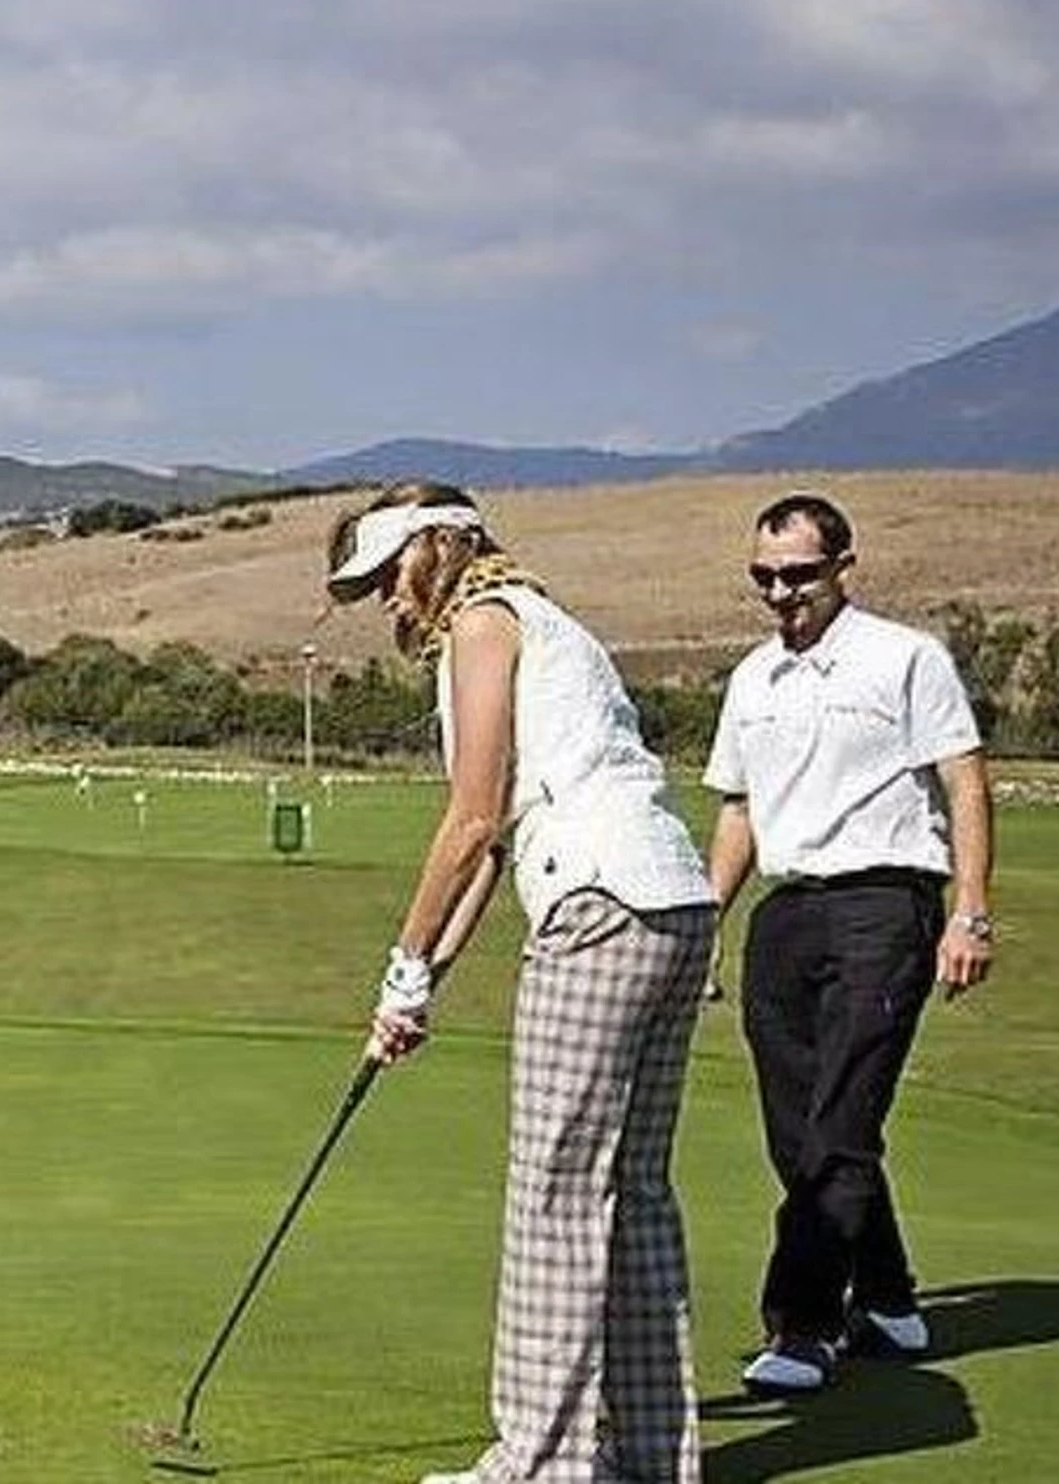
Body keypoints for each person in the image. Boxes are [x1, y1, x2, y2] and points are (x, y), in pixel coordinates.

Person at [328, 482, 716, 1484]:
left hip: (597, 905)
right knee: (632, 1193)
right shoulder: (546, 621)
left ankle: (541, 1466)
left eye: (388, 574)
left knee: (555, 1194)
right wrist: (418, 989)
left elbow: (468, 822)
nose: (387, 600)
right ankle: (648, 1459)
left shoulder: (482, 624)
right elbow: (496, 844)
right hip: (674, 904)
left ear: (436, 546)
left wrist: (402, 962)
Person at [705, 493, 995, 1396]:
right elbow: (739, 810)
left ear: (842, 568)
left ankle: (803, 1328)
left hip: (885, 905)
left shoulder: (906, 658)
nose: (780, 592)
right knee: (799, 1130)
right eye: (763, 577)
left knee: (839, 1122)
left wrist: (970, 911)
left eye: (798, 574)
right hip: (785, 915)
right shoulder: (753, 678)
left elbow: (964, 782)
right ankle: (889, 1298)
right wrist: (703, 927)